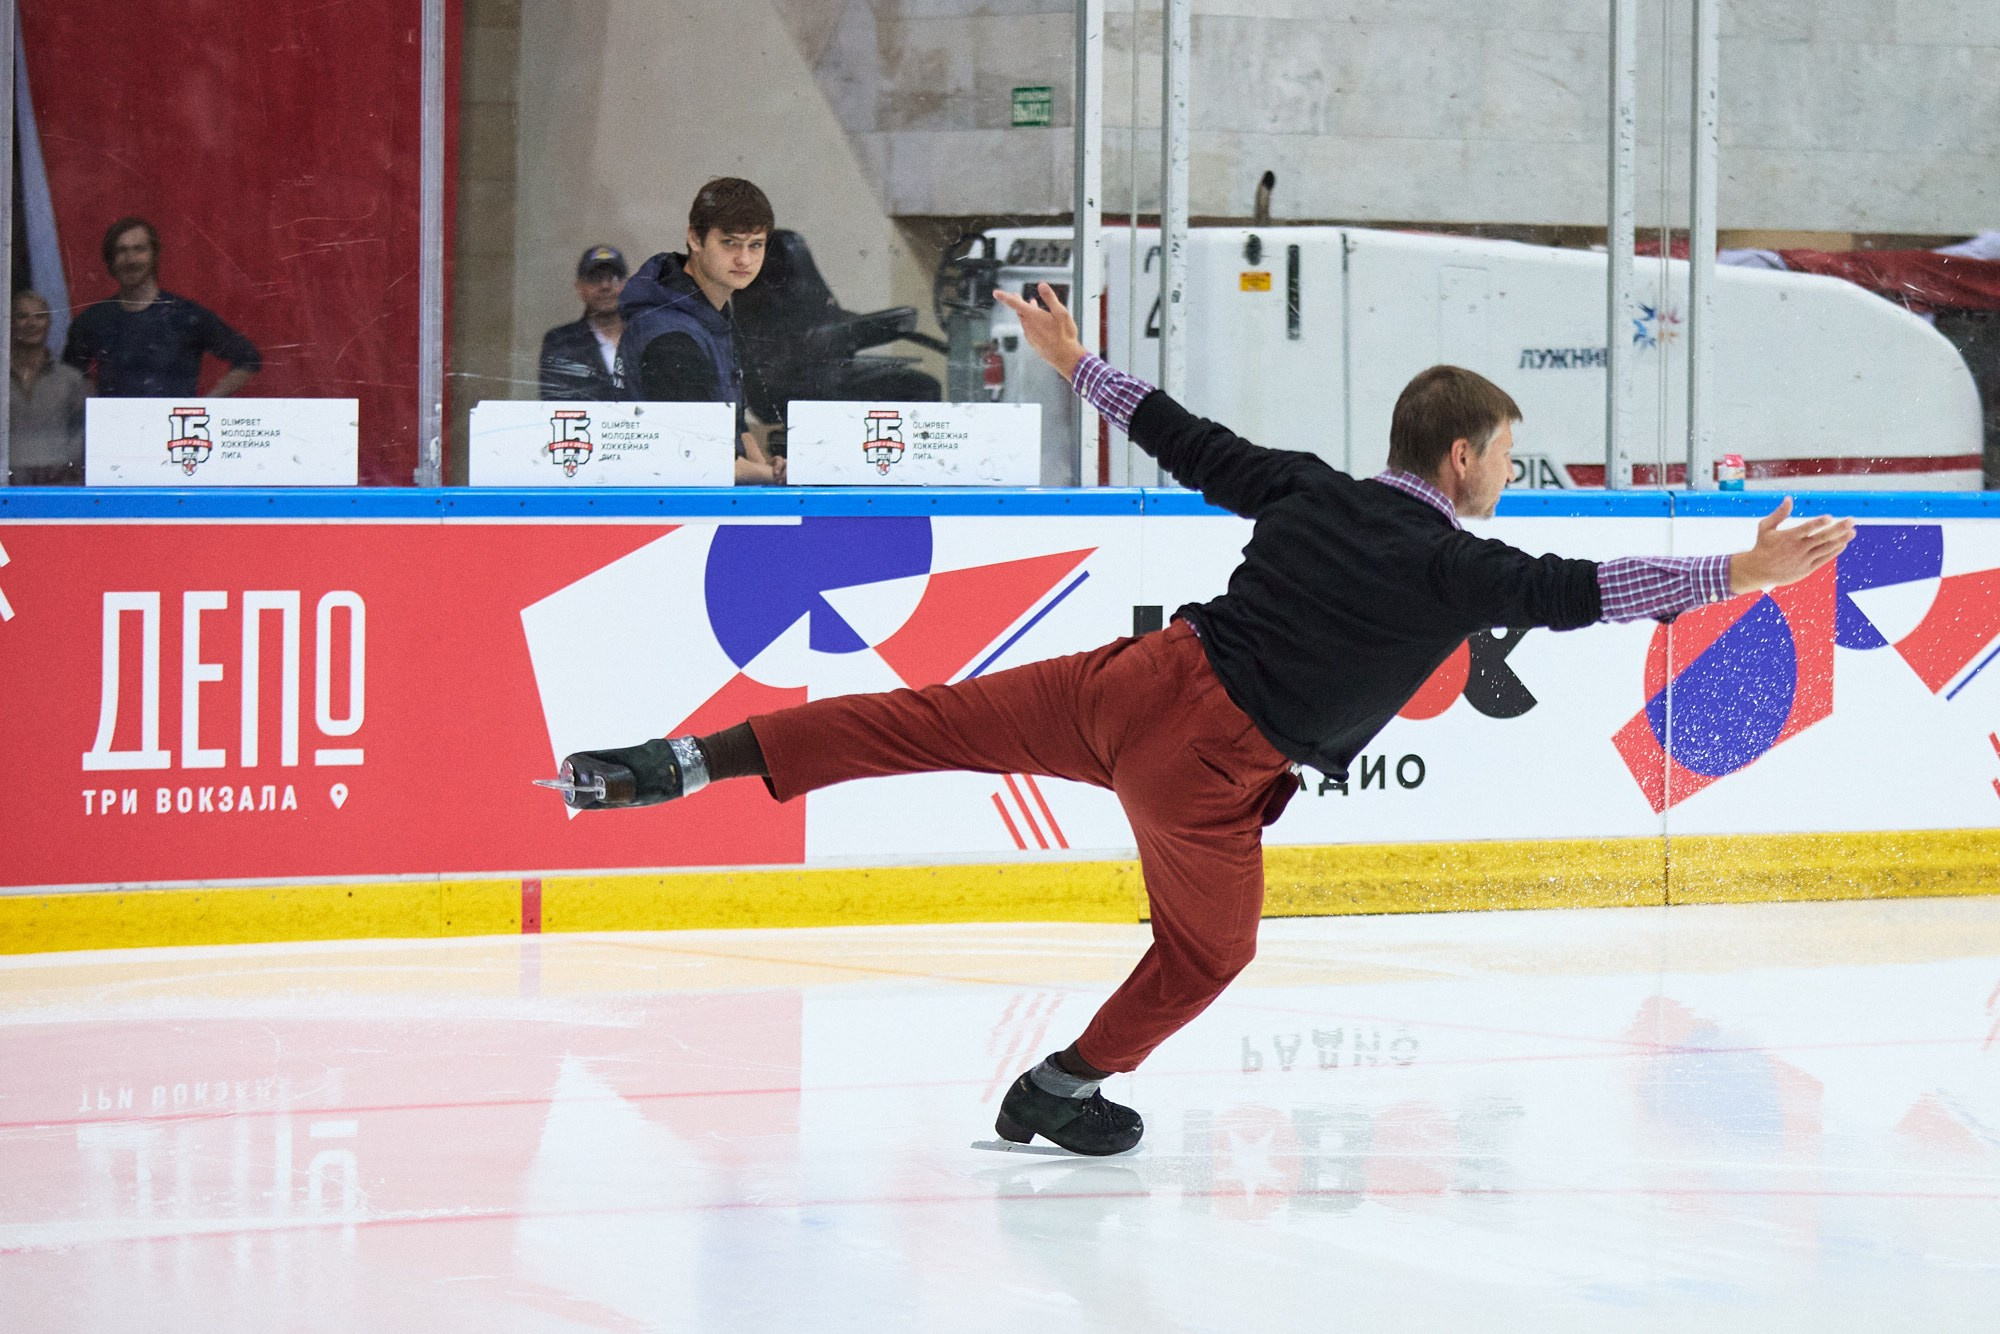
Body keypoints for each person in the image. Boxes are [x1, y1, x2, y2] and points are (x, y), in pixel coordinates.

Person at [543, 282, 1855, 1156]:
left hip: (1139, 679)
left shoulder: (1309, 487)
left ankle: (689, 757)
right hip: (1212, 760)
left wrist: (1077, 363)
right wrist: (1738, 574)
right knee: (1211, 951)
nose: (1513, 473)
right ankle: (1058, 1084)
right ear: (1459, 458)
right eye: (1507, 453)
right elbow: (1594, 591)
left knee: (922, 719)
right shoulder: (1457, 561)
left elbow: (1181, 435)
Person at [614, 178, 785, 485]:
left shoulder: (709, 316)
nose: (744, 259)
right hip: (673, 511)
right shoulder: (671, 337)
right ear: (695, 238)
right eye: (729, 243)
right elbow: (697, 457)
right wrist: (778, 475)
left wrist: (768, 472)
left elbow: (736, 428)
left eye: (755, 245)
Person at [62, 217, 260, 398]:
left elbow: (248, 357)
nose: (131, 259)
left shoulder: (186, 315)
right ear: (111, 261)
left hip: (174, 433)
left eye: (139, 249)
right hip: (115, 432)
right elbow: (70, 374)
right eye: (121, 250)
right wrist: (96, 411)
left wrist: (206, 405)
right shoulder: (92, 321)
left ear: (154, 255)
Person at [7, 290, 90, 485]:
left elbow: (81, 434)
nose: (32, 324)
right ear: (10, 322)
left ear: (49, 323)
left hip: (58, 487)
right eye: (22, 316)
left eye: (40, 317)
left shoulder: (71, 379)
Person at [538, 245, 627, 401]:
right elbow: (557, 403)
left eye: (613, 278)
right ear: (580, 288)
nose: (605, 286)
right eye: (595, 278)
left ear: (627, 285)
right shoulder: (561, 342)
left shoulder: (646, 338)